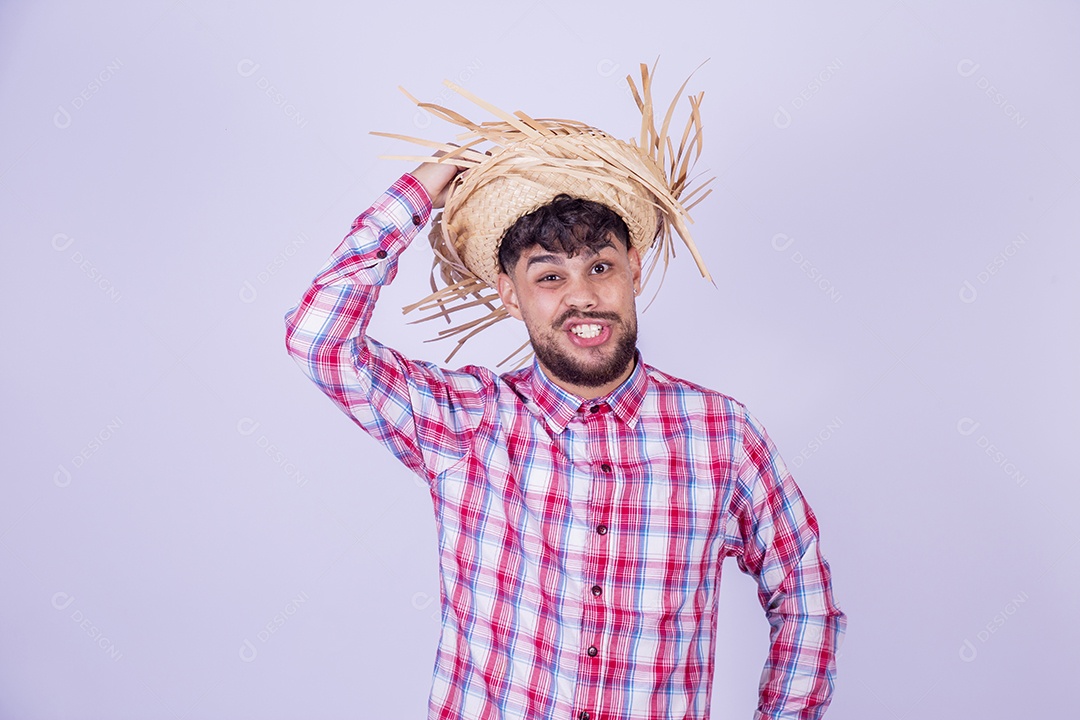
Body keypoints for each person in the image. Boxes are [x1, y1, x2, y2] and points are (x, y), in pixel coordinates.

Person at [285, 72, 845, 720]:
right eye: (549, 276)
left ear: (634, 267)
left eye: (599, 268)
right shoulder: (466, 420)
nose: (582, 297)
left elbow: (802, 591)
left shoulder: (719, 435)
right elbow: (317, 340)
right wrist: (425, 186)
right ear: (507, 291)